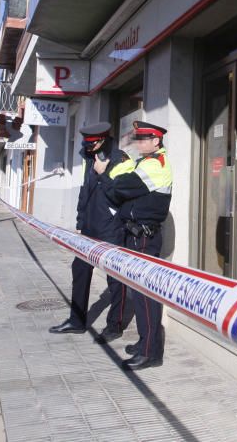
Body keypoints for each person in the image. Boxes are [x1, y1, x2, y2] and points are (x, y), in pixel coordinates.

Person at [49, 122, 135, 336]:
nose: (88, 147)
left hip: (111, 228)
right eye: (86, 144)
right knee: (79, 270)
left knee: (115, 278)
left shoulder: (121, 160)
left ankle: (114, 325)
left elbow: (120, 195)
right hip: (89, 227)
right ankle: (76, 321)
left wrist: (102, 173)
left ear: (103, 140)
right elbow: (85, 192)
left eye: (92, 144)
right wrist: (80, 223)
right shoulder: (90, 156)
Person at [105, 120, 173, 370]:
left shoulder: (157, 164)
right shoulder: (141, 162)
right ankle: (146, 341)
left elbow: (119, 187)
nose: (139, 143)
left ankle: (150, 352)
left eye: (144, 138)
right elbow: (115, 184)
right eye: (138, 138)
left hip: (144, 237)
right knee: (138, 290)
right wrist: (114, 178)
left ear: (156, 141)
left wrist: (114, 179)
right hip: (134, 235)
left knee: (145, 294)